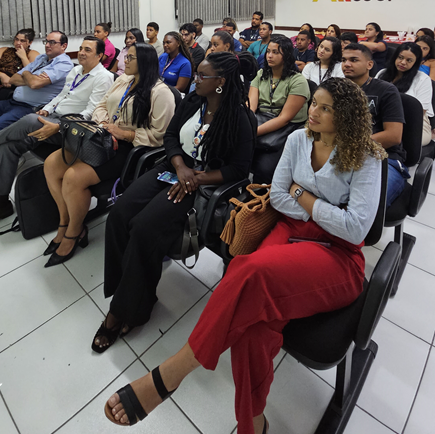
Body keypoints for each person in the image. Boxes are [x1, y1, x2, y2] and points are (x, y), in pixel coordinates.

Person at [103, 77, 385, 434]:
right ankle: (253, 423)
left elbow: (355, 230)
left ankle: (172, 372)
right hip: (289, 229)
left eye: (325, 108)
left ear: (345, 116)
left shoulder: (366, 156)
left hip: (337, 254)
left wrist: (302, 196)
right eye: (314, 102)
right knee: (252, 328)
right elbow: (278, 197)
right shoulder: (298, 140)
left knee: (250, 270)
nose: (313, 111)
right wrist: (320, 208)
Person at [92, 52, 256, 353]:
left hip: (202, 182)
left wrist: (195, 178)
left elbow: (237, 169)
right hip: (174, 168)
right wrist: (180, 166)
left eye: (202, 76)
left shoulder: (240, 118)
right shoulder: (193, 101)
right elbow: (170, 137)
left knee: (144, 228)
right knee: (119, 215)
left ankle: (124, 312)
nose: (195, 80)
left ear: (220, 81)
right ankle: (126, 292)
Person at [42, 43, 175, 267]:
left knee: (73, 177)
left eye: (130, 58)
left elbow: (160, 136)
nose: (125, 61)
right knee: (52, 163)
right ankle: (64, 222)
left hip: (130, 149)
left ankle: (74, 232)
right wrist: (104, 122)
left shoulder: (161, 93)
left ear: (145, 61)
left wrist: (126, 134)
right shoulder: (123, 80)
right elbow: (101, 105)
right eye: (126, 56)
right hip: (103, 136)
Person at [0, 36, 114, 229]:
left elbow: (92, 112)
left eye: (87, 50)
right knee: (9, 146)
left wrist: (59, 126)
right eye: (80, 48)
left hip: (73, 128)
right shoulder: (76, 70)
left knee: (30, 120)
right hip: (54, 117)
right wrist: (46, 109)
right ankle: (0, 203)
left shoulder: (104, 77)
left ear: (100, 55)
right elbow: (61, 96)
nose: (81, 52)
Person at [342, 43, 408, 206]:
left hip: (383, 157)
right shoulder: (338, 89)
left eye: (354, 60)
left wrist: (351, 146)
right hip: (343, 154)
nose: (347, 64)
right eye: (343, 60)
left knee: (366, 204)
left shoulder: (386, 90)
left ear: (369, 65)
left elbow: (393, 136)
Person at [0, 31, 73, 138]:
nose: (47, 45)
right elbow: (13, 79)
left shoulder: (64, 64)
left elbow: (34, 84)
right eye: (46, 41)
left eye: (52, 42)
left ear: (64, 46)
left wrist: (26, 73)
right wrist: (31, 78)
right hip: (12, 102)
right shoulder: (41, 58)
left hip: (29, 108)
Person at [249, 35, 310, 182]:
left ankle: (262, 194)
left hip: (287, 128)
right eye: (268, 51)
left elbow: (284, 119)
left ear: (287, 55)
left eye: (275, 52)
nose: (269, 56)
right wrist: (245, 125)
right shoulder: (261, 74)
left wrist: (251, 132)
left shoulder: (298, 81)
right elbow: (251, 106)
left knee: (264, 168)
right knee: (234, 153)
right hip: (261, 120)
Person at [376, 42, 433, 146]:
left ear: (416, 63)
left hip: (414, 123)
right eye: (400, 57)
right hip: (381, 119)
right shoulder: (382, 73)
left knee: (394, 141)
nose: (402, 62)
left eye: (409, 60)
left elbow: (419, 111)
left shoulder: (422, 79)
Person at [0, 28, 39, 104]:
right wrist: (2, 75)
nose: (18, 43)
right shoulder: (3, 50)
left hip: (14, 82)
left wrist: (23, 57)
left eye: (22, 41)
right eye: (16, 39)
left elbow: (32, 74)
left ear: (30, 43)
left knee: (4, 94)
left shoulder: (32, 54)